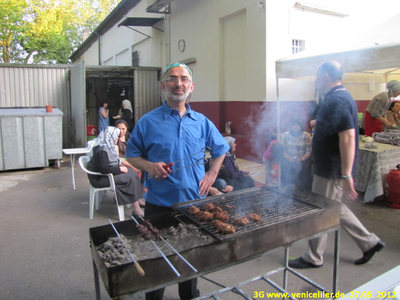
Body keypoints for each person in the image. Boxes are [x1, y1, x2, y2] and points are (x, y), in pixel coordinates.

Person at [125, 62, 230, 300]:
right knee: (156, 259)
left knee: (190, 259)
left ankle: (189, 296)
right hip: (158, 204)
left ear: (191, 87)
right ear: (163, 85)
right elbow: (131, 154)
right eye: (173, 78)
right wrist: (149, 166)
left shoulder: (202, 122)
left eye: (184, 79)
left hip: (194, 204)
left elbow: (220, 149)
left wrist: (212, 174)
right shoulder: (148, 121)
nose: (178, 83)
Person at [289, 61, 384, 269]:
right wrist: (318, 125)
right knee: (334, 208)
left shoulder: (338, 100)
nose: (315, 79)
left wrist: (346, 175)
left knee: (321, 210)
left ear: (325, 76)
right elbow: (335, 127)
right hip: (329, 168)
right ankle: (369, 242)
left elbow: (348, 137)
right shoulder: (336, 97)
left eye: (316, 75)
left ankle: (313, 257)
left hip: (331, 170)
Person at [86, 126, 144, 216]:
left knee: (133, 173)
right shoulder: (102, 150)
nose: (117, 139)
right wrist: (120, 169)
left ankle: (135, 201)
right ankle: (136, 208)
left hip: (105, 175)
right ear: (110, 136)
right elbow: (104, 169)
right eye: (116, 136)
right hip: (99, 179)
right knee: (130, 177)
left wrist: (120, 167)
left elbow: (112, 162)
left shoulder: (107, 146)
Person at [281, 118, 312, 190]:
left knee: (303, 182)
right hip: (289, 161)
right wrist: (290, 159)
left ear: (301, 126)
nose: (296, 126)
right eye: (294, 125)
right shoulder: (286, 135)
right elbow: (282, 150)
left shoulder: (306, 135)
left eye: (298, 125)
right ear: (291, 126)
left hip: (302, 161)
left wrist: (302, 159)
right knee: (288, 181)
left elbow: (308, 151)